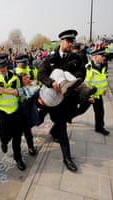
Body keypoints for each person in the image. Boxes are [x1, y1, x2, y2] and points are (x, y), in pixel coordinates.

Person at [38, 29, 81, 172]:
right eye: (68, 41)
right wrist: (51, 83)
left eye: (72, 41)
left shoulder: (76, 58)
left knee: (62, 128)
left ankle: (67, 158)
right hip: (47, 97)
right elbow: (41, 74)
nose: (71, 44)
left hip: (63, 101)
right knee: (36, 120)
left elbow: (81, 74)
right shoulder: (50, 58)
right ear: (61, 42)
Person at [0, 53, 26, 171]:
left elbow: (19, 91)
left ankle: (18, 158)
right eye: (0, 67)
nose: (2, 69)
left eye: (4, 66)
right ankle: (4, 142)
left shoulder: (14, 76)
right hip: (3, 114)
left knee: (17, 137)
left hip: (15, 112)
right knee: (5, 135)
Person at [0, 73, 40, 156]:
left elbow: (35, 83)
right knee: (13, 136)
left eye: (28, 78)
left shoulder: (32, 87)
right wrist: (0, 90)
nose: (27, 79)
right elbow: (13, 92)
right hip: (17, 116)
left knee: (28, 134)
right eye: (25, 79)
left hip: (27, 117)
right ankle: (5, 144)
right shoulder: (22, 90)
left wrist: (30, 81)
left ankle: (30, 148)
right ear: (20, 82)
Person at [72, 48, 110, 135]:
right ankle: (68, 118)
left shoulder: (103, 66)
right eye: (102, 56)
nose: (104, 58)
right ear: (95, 57)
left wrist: (104, 89)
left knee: (100, 112)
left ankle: (99, 128)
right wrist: (89, 97)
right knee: (81, 110)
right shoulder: (87, 68)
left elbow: (102, 79)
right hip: (88, 95)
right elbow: (84, 85)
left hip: (97, 95)